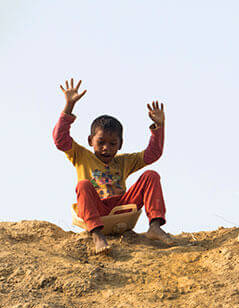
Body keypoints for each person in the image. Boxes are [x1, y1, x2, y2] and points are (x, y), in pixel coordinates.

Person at [54, 79, 170, 254]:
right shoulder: (81, 156)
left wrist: (159, 126)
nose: (106, 148)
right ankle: (97, 236)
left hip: (121, 209)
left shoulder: (123, 161)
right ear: (90, 141)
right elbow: (60, 140)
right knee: (83, 185)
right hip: (97, 209)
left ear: (120, 144)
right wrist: (69, 106)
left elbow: (153, 154)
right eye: (100, 142)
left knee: (151, 175)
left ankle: (154, 225)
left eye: (112, 143)